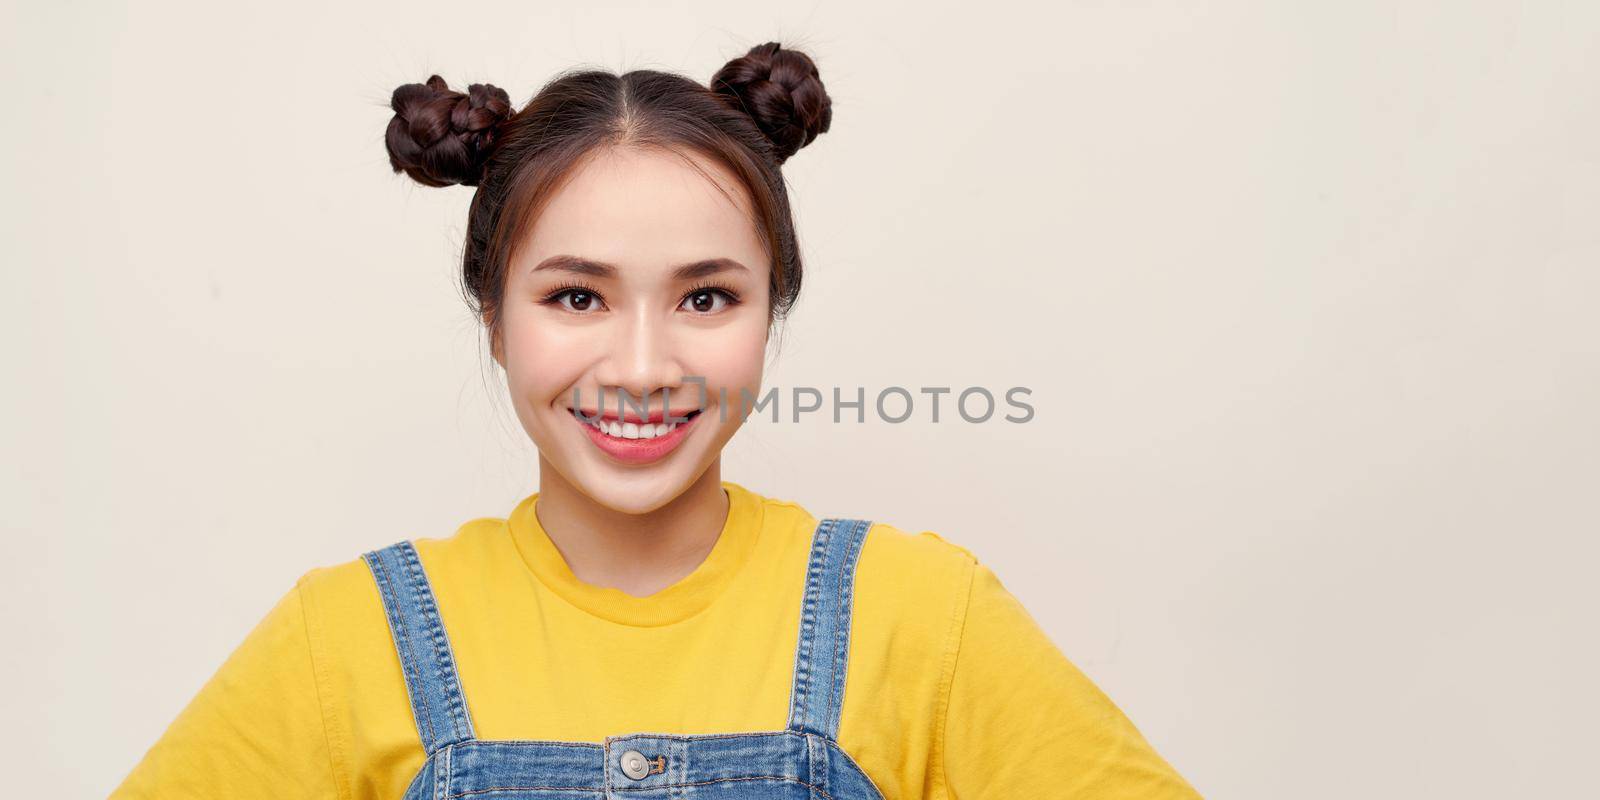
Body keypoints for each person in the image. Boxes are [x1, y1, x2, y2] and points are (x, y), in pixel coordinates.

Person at [110, 41, 1201, 799]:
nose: (641, 366)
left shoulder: (921, 617)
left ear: (772, 310)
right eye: (575, 296)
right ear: (492, 315)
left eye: (706, 296)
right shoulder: (350, 636)